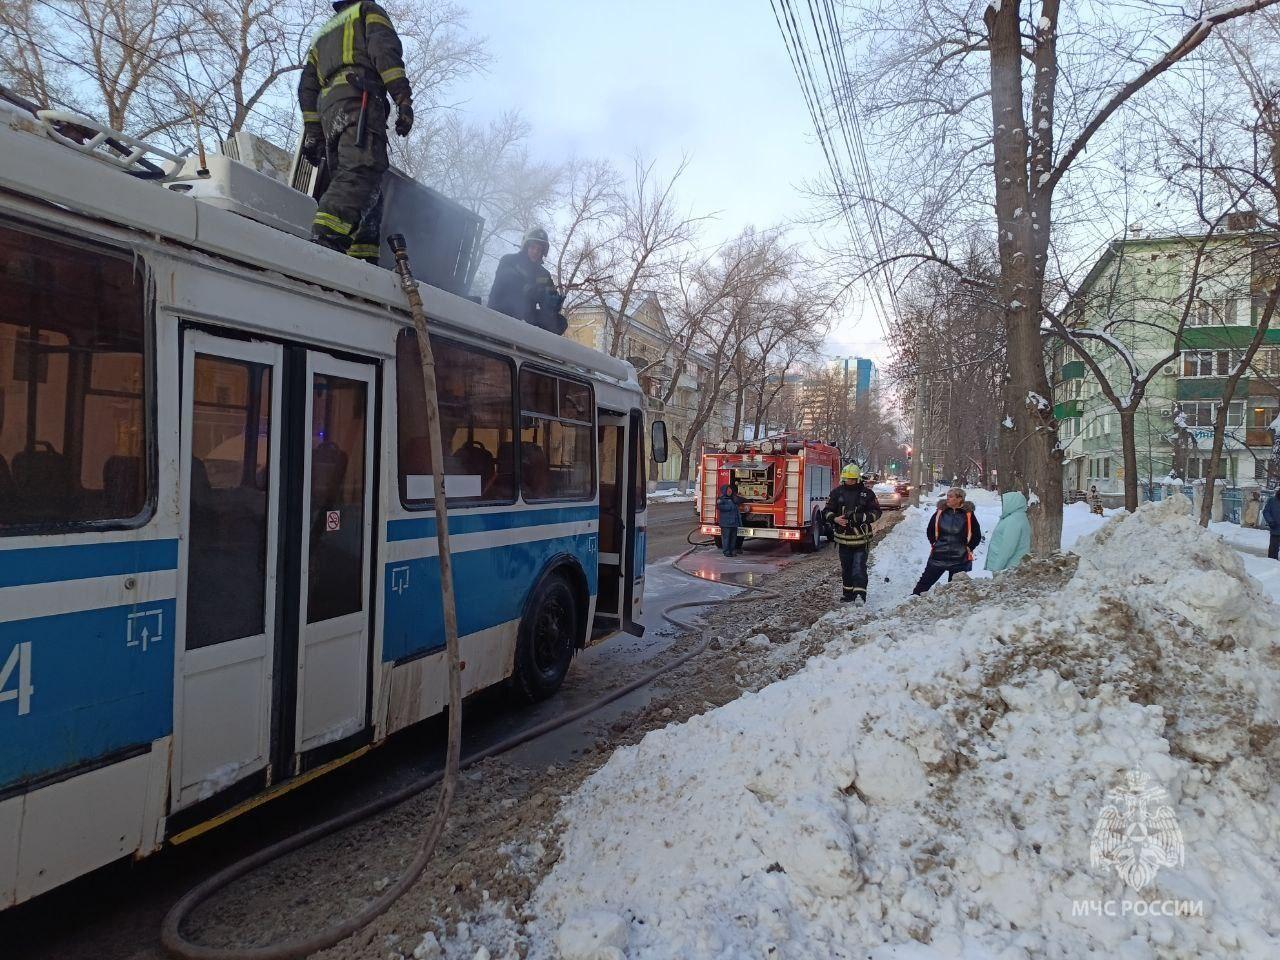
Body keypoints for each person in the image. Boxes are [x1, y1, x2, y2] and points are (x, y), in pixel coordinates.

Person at [297, 0, 414, 263]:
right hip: (358, 100)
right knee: (361, 171)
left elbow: (306, 86)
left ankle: (362, 256)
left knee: (365, 185)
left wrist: (314, 130)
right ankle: (325, 241)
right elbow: (385, 53)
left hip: (330, 110)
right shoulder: (367, 11)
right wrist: (403, 100)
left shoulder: (323, 33)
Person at [488, 227, 568, 334]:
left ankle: (535, 344)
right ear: (526, 247)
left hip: (527, 316)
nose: (535, 252)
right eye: (533, 247)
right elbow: (506, 278)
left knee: (560, 322)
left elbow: (549, 297)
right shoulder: (509, 261)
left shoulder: (543, 274)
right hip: (501, 310)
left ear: (543, 252)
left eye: (539, 249)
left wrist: (554, 304)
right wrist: (527, 288)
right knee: (510, 307)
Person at [823, 464, 882, 604]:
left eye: (851, 479)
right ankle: (848, 595)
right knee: (846, 568)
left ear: (857, 479)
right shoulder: (837, 493)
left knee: (858, 567)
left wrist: (859, 517)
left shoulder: (867, 494)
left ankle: (860, 595)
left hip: (861, 540)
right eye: (846, 479)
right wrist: (835, 518)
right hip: (843, 540)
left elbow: (877, 512)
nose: (848, 482)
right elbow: (826, 511)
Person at [913, 487, 982, 595]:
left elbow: (976, 535)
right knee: (923, 585)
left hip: (960, 559)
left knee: (956, 592)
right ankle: (912, 604)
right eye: (947, 497)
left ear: (960, 499)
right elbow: (930, 529)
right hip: (939, 556)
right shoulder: (940, 512)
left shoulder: (968, 515)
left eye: (950, 497)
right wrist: (935, 544)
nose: (947, 499)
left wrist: (969, 547)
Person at [984, 490, 1030, 573]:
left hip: (1008, 568)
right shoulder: (1017, 517)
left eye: (1006, 502)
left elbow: (1008, 547)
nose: (1003, 505)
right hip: (1011, 567)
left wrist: (997, 568)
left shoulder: (1014, 520)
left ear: (1013, 503)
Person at [716, 484, 745, 557]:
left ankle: (732, 551)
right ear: (724, 491)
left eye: (730, 489)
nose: (730, 491)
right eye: (728, 490)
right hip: (726, 524)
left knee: (733, 539)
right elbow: (719, 507)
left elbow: (740, 500)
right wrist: (730, 506)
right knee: (726, 538)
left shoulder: (733, 499)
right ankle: (726, 552)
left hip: (734, 523)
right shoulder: (721, 499)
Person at [1264, 488, 1280, 561]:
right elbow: (1266, 512)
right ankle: (1271, 566)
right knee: (1273, 552)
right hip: (1275, 530)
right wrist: (1270, 521)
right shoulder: (1272, 500)